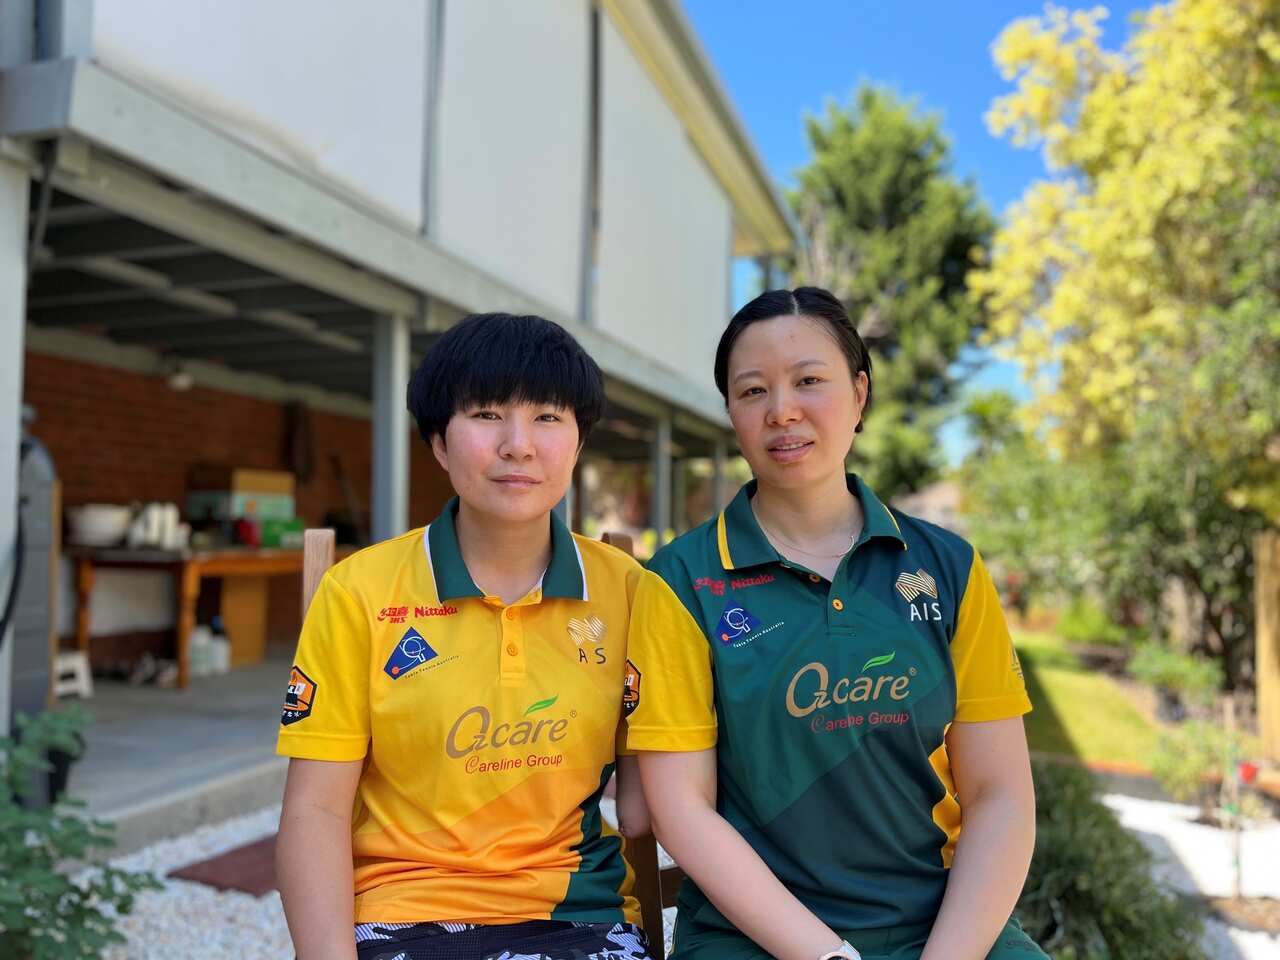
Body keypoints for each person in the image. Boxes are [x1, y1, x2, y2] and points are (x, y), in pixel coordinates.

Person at [624, 288, 1045, 960]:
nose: (782, 410)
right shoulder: (682, 580)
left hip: (943, 927)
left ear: (859, 394)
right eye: (753, 390)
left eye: (809, 381)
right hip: (753, 938)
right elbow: (683, 810)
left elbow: (999, 795)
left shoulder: (948, 567)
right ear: (732, 412)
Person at [276, 312, 653, 960]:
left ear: (579, 441)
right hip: (401, 913)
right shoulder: (360, 593)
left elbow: (655, 807)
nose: (518, 444)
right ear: (440, 443)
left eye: (547, 417)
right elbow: (315, 813)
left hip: (580, 917)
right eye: (485, 414)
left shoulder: (629, 590)